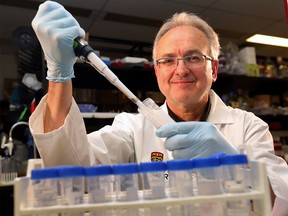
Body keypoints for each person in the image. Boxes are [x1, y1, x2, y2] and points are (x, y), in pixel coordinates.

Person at [29, 1, 288, 213]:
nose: (181, 69)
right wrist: (59, 74)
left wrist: (233, 164)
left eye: (194, 57)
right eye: (167, 60)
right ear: (157, 72)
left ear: (215, 69)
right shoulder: (131, 129)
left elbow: (279, 202)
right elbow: (73, 172)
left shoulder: (249, 127)